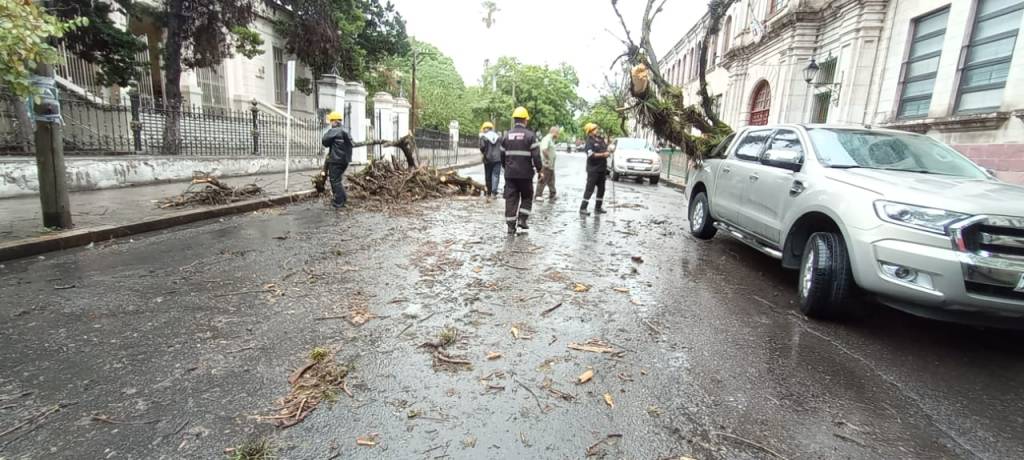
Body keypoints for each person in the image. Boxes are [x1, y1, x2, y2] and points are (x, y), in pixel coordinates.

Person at [500, 106, 543, 234]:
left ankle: (510, 226)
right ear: (525, 120)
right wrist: (540, 170)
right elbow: (536, 156)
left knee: (511, 199)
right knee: (527, 196)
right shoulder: (530, 136)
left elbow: (502, 156)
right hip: (525, 174)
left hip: (510, 174)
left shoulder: (506, 136)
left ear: (514, 120)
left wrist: (506, 167)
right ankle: (522, 220)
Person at [322, 111, 353, 209]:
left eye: (331, 121)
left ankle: (339, 202)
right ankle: (343, 199)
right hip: (345, 160)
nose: (330, 124)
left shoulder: (334, 130)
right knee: (338, 180)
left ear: (335, 121)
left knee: (334, 181)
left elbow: (324, 141)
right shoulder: (346, 131)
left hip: (336, 160)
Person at [579, 122, 610, 216]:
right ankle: (583, 208)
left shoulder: (601, 139)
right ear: (590, 131)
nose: (597, 130)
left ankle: (598, 207)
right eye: (594, 129)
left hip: (602, 169)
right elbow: (590, 154)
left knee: (602, 189)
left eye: (596, 128)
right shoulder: (589, 141)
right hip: (593, 169)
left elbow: (606, 149)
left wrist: (609, 151)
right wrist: (603, 155)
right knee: (589, 189)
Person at [534, 126, 559, 201]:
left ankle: (553, 194)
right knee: (543, 179)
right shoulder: (547, 139)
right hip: (546, 164)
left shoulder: (551, 140)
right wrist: (547, 158)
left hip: (550, 165)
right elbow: (544, 149)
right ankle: (538, 195)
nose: (558, 135)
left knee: (551, 180)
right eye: (557, 133)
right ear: (554, 132)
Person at [479, 121, 502, 200]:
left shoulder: (483, 137)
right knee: (495, 176)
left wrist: (484, 154)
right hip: (498, 159)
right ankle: (493, 193)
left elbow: (482, 147)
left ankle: (488, 192)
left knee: (488, 176)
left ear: (486, 128)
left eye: (484, 128)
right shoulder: (498, 137)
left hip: (488, 159)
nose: (484, 130)